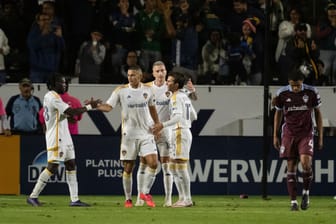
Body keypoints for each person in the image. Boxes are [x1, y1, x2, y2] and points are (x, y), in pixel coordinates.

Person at [26, 73, 100, 207]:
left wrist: (70, 114)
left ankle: (75, 199)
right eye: (62, 82)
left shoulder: (55, 97)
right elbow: (71, 112)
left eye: (66, 82)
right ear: (53, 85)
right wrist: (90, 106)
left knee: (71, 164)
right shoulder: (52, 97)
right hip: (56, 137)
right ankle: (33, 196)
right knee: (53, 167)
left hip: (65, 136)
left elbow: (66, 115)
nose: (65, 85)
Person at [96, 65, 160, 208]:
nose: (130, 77)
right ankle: (128, 199)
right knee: (128, 168)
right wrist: (96, 106)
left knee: (154, 163)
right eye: (129, 75)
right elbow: (108, 107)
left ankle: (145, 192)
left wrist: (157, 125)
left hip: (146, 133)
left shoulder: (148, 90)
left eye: (133, 75)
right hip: (129, 135)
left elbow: (152, 109)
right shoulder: (121, 91)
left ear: (140, 76)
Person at [273, 68, 323, 211]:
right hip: (289, 134)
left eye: (298, 85)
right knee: (291, 166)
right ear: (289, 83)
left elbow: (318, 113)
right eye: (293, 85)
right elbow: (278, 114)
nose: (296, 88)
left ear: (302, 82)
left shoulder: (311, 92)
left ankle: (306, 193)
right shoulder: (282, 93)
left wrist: (320, 136)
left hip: (306, 133)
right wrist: (275, 135)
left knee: (306, 164)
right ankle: (293, 202)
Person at [152, 71, 197, 208]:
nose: (167, 82)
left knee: (180, 166)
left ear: (176, 85)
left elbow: (177, 117)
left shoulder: (176, 97)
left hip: (179, 132)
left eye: (170, 81)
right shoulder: (183, 96)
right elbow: (194, 116)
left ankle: (187, 198)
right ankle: (182, 197)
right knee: (172, 166)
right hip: (180, 131)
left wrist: (162, 125)